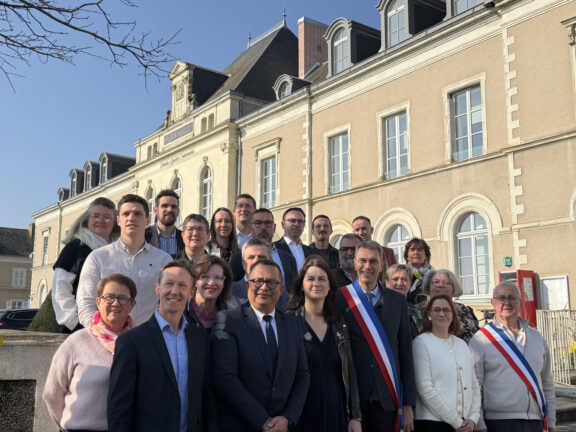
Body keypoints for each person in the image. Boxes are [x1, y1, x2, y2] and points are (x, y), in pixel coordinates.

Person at [108, 260, 216, 432]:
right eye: (169, 284)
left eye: (182, 285)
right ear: (158, 288)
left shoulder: (200, 339)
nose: (175, 291)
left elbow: (207, 398)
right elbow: (119, 410)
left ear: (191, 292)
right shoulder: (131, 342)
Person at [210, 259, 310, 432]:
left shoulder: (292, 324)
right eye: (258, 281)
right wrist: (263, 421)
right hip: (241, 426)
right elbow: (225, 378)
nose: (264, 287)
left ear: (281, 289)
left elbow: (302, 375)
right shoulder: (228, 320)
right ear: (247, 285)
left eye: (271, 282)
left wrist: (288, 418)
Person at [335, 240, 415, 432]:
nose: (367, 266)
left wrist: (408, 404)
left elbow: (405, 352)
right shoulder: (339, 298)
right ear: (355, 263)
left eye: (373, 261)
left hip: (387, 397)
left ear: (381, 265)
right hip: (353, 399)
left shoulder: (397, 301)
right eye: (362, 261)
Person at [44, 273, 136, 431]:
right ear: (98, 302)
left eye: (122, 298)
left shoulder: (138, 344)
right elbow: (52, 394)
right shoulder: (77, 342)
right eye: (109, 297)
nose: (115, 303)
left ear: (132, 305)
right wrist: (69, 424)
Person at [286, 256, 362, 432]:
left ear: (329, 287)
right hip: (301, 411)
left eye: (322, 279)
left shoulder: (339, 323)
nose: (316, 283)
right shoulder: (289, 321)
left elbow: (350, 370)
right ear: (302, 285)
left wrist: (355, 416)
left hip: (336, 408)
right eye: (310, 279)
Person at [469, 282, 556, 432]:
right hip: (498, 423)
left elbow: (547, 382)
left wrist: (551, 422)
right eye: (501, 298)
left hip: (535, 422)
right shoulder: (480, 340)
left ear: (520, 303)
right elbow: (474, 386)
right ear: (493, 303)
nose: (507, 302)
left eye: (512, 298)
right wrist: (480, 425)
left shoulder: (537, 338)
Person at [77, 194, 172, 327]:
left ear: (148, 220)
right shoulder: (98, 258)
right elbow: (86, 304)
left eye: (137, 214)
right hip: (108, 337)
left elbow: (170, 303)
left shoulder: (164, 260)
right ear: (118, 220)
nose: (131, 218)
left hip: (149, 336)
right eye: (126, 214)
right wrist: (104, 334)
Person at [412, 294, 481, 432]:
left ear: (453, 315)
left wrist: (473, 417)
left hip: (465, 424)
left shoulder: (462, 345)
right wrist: (456, 421)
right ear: (429, 315)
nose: (442, 314)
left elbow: (474, 385)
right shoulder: (421, 343)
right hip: (432, 424)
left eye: (446, 310)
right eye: (436, 310)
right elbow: (424, 388)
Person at [51, 197, 119, 333]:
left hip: (112, 325)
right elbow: (60, 288)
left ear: (115, 222)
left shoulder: (119, 250)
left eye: (106, 217)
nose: (100, 220)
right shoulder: (75, 247)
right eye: (96, 216)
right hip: (81, 327)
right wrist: (74, 322)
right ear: (88, 219)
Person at [229, 208, 297, 290]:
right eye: (258, 223)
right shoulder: (237, 259)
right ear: (250, 228)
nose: (263, 227)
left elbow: (293, 290)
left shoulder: (288, 258)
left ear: (274, 228)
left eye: (268, 223)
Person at [229, 238, 290, 311]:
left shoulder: (283, 297)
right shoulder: (229, 292)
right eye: (251, 257)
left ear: (270, 261)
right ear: (243, 263)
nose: (256, 261)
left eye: (261, 257)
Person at [420, 269, 479, 343]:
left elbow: (475, 340)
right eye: (436, 282)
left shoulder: (465, 310)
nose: (441, 285)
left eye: (447, 283)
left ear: (454, 288)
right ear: (428, 287)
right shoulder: (417, 311)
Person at [185, 255, 238, 330]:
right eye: (205, 277)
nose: (211, 283)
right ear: (195, 281)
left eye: (217, 278)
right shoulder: (181, 312)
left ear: (224, 283)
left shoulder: (233, 314)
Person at [385, 264, 422, 339]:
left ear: (410, 283)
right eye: (395, 279)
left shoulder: (416, 312)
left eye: (404, 279)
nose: (400, 283)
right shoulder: (379, 309)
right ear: (387, 283)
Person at [144, 189, 184, 257]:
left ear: (178, 211)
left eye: (174, 206)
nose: (169, 210)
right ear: (155, 210)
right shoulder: (144, 237)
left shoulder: (185, 238)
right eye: (164, 206)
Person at [275, 207, 313, 271]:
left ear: (304, 225)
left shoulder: (310, 251)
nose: (296, 224)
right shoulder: (274, 248)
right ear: (283, 224)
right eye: (292, 221)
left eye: (300, 221)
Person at [403, 237, 433, 304]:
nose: (416, 252)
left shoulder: (434, 276)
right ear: (407, 255)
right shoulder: (402, 274)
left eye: (420, 250)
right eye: (412, 249)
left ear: (426, 255)